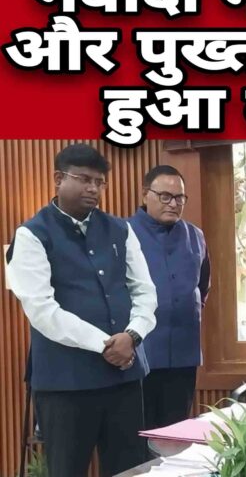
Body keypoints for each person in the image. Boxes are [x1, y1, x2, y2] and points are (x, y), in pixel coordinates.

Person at [6, 144, 157, 477]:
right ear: (58, 179)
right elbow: (42, 310)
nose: (93, 189)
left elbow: (145, 291)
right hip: (66, 384)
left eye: (99, 182)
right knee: (68, 470)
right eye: (84, 179)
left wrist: (132, 336)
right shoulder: (32, 234)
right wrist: (106, 344)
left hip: (124, 377)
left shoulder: (121, 229)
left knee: (131, 469)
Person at [128, 164, 211, 429]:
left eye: (179, 198)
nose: (173, 204)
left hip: (183, 355)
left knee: (176, 434)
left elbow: (203, 285)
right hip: (139, 354)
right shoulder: (123, 233)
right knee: (139, 435)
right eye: (165, 196)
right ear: (145, 194)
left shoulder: (195, 236)